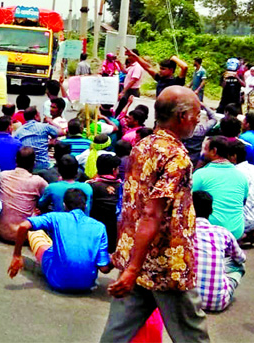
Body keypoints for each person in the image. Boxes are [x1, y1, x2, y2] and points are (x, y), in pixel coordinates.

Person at [100, 86, 209, 343]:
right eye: (195, 115)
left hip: (136, 257)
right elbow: (150, 213)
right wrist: (133, 268)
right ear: (181, 116)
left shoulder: (141, 146)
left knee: (116, 333)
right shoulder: (177, 157)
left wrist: (129, 264)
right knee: (193, 334)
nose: (197, 120)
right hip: (166, 264)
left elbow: (131, 205)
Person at [7, 188, 112, 292]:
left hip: (58, 281)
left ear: (64, 205)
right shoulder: (99, 227)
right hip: (87, 284)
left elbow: (23, 227)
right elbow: (104, 268)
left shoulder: (56, 217)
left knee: (36, 235)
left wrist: (17, 255)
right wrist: (114, 259)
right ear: (86, 205)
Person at [192, 191, 246, 312]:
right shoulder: (222, 232)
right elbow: (241, 258)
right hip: (217, 303)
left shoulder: (181, 234)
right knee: (239, 265)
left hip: (187, 303)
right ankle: (221, 286)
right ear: (211, 211)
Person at [193, 136, 247, 239]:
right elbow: (243, 202)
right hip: (236, 231)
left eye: (205, 149)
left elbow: (186, 199)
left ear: (214, 151)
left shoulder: (200, 175)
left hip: (211, 231)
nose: (203, 153)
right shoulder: (242, 176)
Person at [0, 147, 48, 243]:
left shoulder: (3, 175)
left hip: (2, 233)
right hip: (24, 235)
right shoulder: (38, 181)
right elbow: (49, 197)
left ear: (16, 160)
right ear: (34, 163)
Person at [228, 140, 254, 245]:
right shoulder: (253, 168)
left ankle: (241, 236)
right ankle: (248, 232)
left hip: (244, 220)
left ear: (233, 156)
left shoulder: (234, 172)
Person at [88, 154, 122, 253]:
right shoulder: (122, 186)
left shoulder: (91, 185)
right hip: (114, 231)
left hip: (94, 226)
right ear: (114, 170)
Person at [115, 48, 144, 115]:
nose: (128, 58)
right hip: (128, 90)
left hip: (132, 91)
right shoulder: (132, 65)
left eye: (129, 56)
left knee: (126, 109)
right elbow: (125, 71)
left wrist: (123, 91)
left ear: (134, 56)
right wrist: (119, 63)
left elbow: (133, 80)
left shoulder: (137, 67)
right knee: (121, 108)